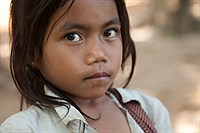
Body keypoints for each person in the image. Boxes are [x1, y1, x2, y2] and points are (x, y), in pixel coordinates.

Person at [0, 0, 173, 132]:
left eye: (109, 32)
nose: (98, 54)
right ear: (32, 52)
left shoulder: (149, 110)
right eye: (73, 37)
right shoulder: (25, 129)